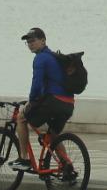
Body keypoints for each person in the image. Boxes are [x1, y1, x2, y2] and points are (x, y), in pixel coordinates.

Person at [12, 26, 75, 171]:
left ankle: (24, 159)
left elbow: (36, 85)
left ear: (43, 41)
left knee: (21, 117)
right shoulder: (54, 57)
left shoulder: (40, 58)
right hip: (68, 104)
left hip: (54, 102)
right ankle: (67, 167)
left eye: (33, 40)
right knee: (53, 134)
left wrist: (29, 102)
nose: (30, 44)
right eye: (28, 42)